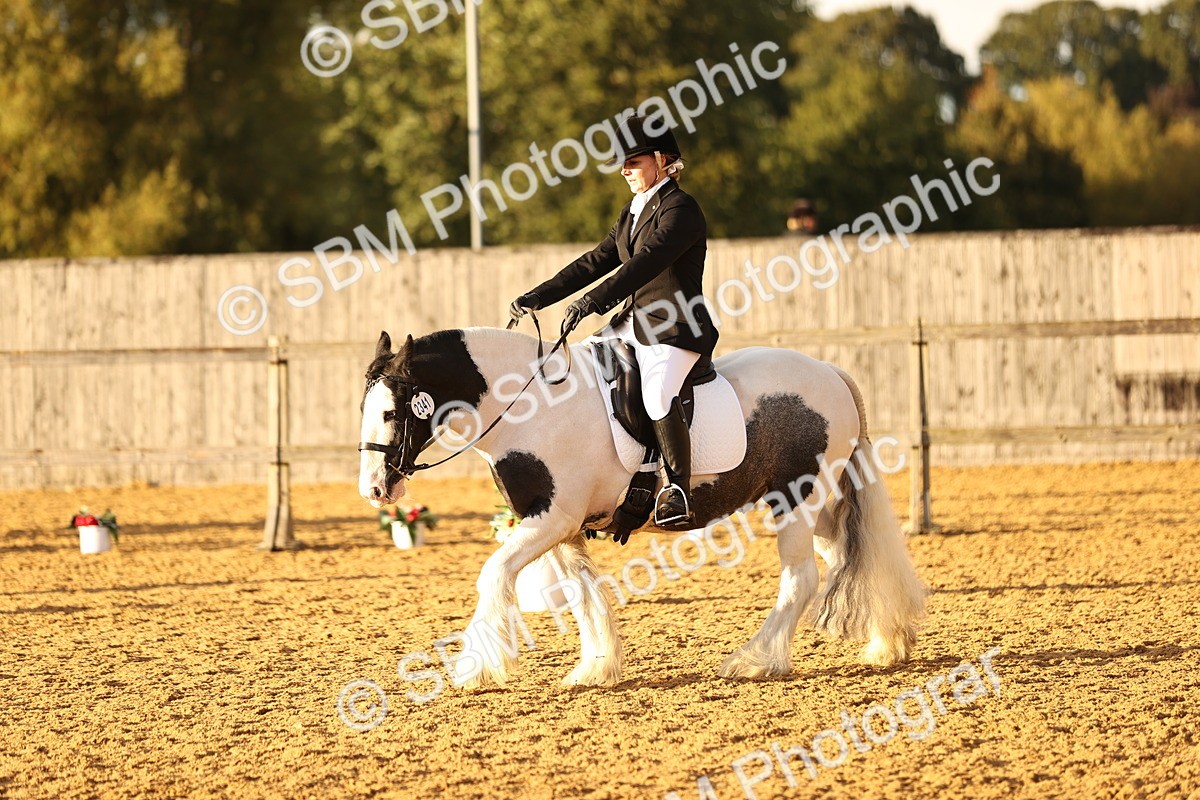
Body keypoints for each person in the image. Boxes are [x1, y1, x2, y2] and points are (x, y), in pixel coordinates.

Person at [508, 116, 718, 527]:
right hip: (634, 323)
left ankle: (677, 489)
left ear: (662, 160)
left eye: (633, 162)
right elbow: (596, 260)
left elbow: (645, 263)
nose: (624, 170)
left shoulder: (682, 209)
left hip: (674, 327)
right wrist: (541, 296)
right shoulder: (632, 211)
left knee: (658, 394)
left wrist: (592, 303)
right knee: (585, 376)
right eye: (623, 163)